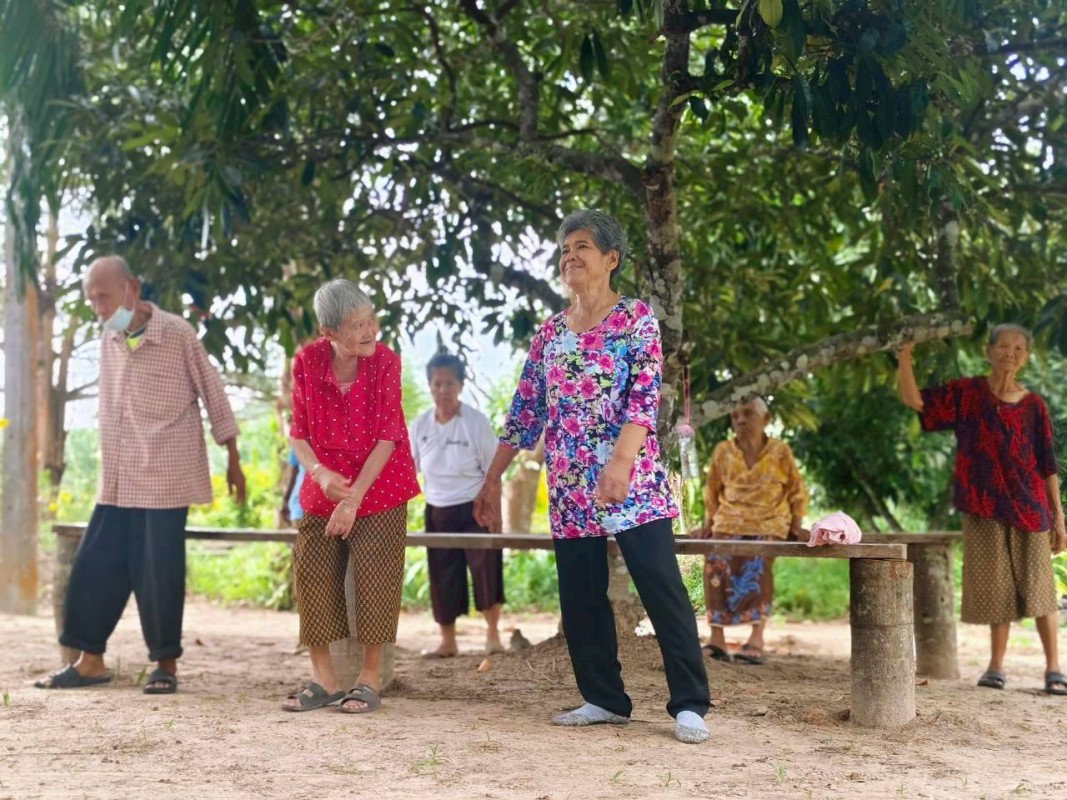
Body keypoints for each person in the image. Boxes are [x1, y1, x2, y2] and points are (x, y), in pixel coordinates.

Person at [473, 209, 711, 744]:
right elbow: (525, 411)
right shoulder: (551, 333)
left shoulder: (635, 319)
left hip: (632, 481)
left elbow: (644, 400)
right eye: (564, 249)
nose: (570, 256)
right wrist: (491, 481)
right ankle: (604, 698)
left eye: (582, 246)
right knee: (581, 595)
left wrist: (620, 465)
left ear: (611, 258)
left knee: (662, 588)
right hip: (570, 485)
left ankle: (690, 704)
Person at [36, 256, 246, 694]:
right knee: (95, 564)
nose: (98, 307)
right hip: (120, 475)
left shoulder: (177, 334)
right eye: (91, 299)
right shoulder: (109, 336)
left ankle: (165, 666)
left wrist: (233, 458)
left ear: (132, 288)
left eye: (104, 296)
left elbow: (212, 391)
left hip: (166, 475)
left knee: (158, 570)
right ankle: (90, 662)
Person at [898, 325, 1066, 696]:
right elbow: (915, 401)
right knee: (996, 588)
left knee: (1041, 589)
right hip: (983, 505)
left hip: (1030, 506)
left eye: (1018, 348)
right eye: (1003, 346)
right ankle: (996, 667)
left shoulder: (1035, 406)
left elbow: (1048, 463)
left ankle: (1055, 669)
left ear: (1026, 357)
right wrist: (904, 355)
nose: (1010, 353)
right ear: (988, 352)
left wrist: (1059, 517)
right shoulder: (968, 393)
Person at [283, 278, 420, 712]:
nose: (369, 331)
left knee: (376, 577)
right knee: (312, 572)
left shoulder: (386, 362)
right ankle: (323, 679)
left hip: (380, 484)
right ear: (329, 333)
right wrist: (320, 474)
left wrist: (353, 499)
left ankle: (369, 678)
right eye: (356, 325)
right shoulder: (306, 362)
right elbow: (299, 433)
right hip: (326, 484)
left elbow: (388, 436)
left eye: (371, 320)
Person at [695, 398, 808, 665]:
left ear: (765, 419)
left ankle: (757, 637)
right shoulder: (723, 450)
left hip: (769, 521)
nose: (741, 420)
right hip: (728, 520)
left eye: (748, 414)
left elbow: (796, 490)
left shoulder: (780, 451)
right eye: (735, 416)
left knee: (759, 560)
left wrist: (797, 524)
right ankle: (717, 639)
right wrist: (708, 525)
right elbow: (712, 491)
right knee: (715, 560)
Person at [410, 352, 505, 657]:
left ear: (461, 385)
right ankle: (448, 641)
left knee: (486, 569)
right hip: (437, 510)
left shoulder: (475, 422)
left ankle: (493, 635)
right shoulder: (420, 425)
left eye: (449, 383)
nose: (443, 390)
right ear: (429, 386)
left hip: (475, 507)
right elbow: (409, 470)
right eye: (437, 384)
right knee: (443, 574)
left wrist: (495, 515)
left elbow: (493, 473)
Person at [280, 447, 306, 526]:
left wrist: (286, 501)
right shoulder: (299, 441)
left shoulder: (299, 441)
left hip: (301, 504)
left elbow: (293, 473)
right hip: (301, 504)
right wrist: (286, 501)